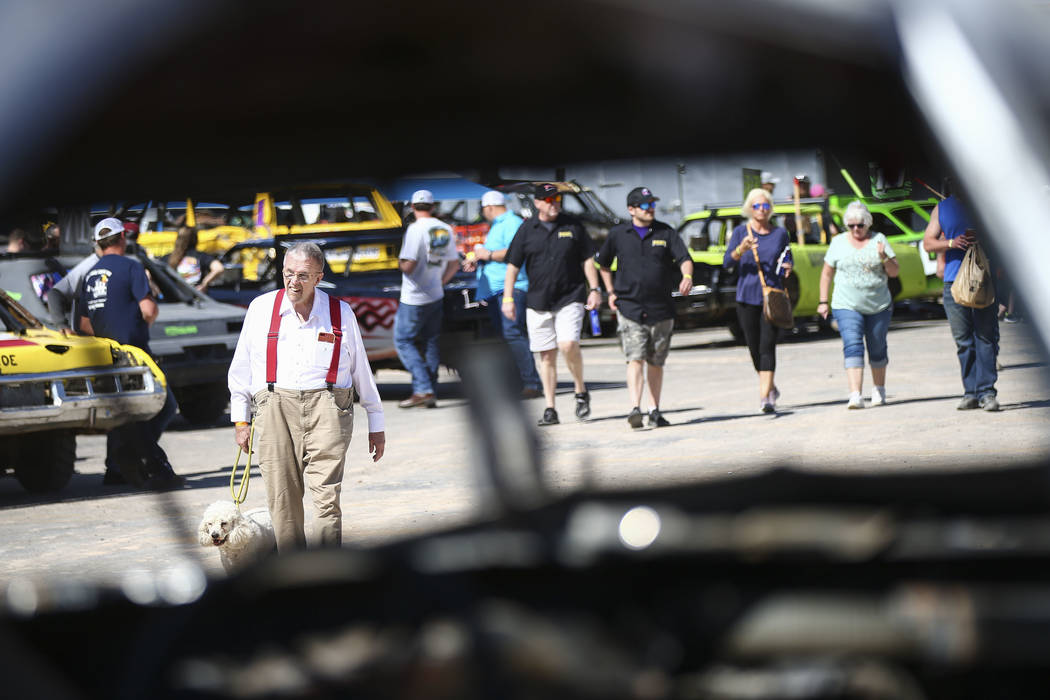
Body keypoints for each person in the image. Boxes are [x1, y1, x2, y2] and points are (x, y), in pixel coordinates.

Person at [228, 241, 386, 551]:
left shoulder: (340, 312)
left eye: (302, 275)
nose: (293, 282)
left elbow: (360, 370)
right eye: (288, 273)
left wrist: (376, 420)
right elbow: (241, 368)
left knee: (327, 498)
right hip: (274, 407)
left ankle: (328, 569)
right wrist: (240, 419)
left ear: (318, 277)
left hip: (329, 406)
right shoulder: (261, 309)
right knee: (282, 500)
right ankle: (295, 573)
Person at [79, 217, 182, 487]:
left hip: (103, 356)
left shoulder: (88, 275)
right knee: (165, 405)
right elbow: (148, 310)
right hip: (135, 355)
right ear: (122, 238)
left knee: (122, 413)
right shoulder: (131, 267)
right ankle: (137, 458)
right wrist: (141, 322)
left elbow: (83, 325)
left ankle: (115, 469)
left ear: (99, 244)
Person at [503, 183, 601, 426]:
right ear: (537, 203)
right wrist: (507, 298)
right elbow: (513, 266)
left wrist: (595, 289)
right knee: (546, 356)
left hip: (571, 296)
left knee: (568, 344)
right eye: (548, 199)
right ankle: (550, 407)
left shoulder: (573, 225)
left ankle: (580, 390)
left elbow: (588, 259)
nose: (553, 202)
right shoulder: (527, 229)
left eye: (556, 198)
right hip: (538, 301)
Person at [596, 187, 693, 428]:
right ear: (631, 209)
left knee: (656, 361)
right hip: (629, 307)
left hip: (661, 308)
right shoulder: (618, 234)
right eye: (645, 205)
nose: (651, 209)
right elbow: (603, 264)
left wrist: (687, 276)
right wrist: (610, 292)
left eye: (652, 205)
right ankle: (635, 408)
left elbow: (684, 258)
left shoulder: (666, 232)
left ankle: (654, 410)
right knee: (635, 358)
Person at [817, 200, 899, 409]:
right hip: (846, 304)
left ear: (868, 224)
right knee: (852, 344)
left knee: (877, 346)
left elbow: (894, 272)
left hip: (878, 304)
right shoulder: (837, 242)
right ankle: (855, 394)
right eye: (851, 225)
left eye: (860, 225)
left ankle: (879, 389)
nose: (855, 229)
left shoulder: (879, 240)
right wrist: (823, 301)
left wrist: (883, 257)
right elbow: (827, 273)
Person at [923, 193, 1000, 411]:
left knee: (985, 336)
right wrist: (951, 242)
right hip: (953, 282)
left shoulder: (989, 201)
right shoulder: (943, 208)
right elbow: (928, 243)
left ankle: (987, 392)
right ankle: (970, 392)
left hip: (984, 278)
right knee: (963, 340)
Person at [723, 187, 793, 413]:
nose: (761, 210)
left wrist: (787, 267)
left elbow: (786, 255)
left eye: (765, 206)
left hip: (771, 296)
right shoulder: (741, 232)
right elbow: (727, 263)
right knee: (753, 348)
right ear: (749, 209)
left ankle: (765, 398)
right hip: (747, 297)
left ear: (770, 209)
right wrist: (740, 250)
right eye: (757, 206)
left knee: (767, 346)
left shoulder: (780, 233)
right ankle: (770, 386)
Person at [470, 189, 542, 398]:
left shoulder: (510, 223)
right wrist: (481, 258)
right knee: (508, 335)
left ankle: (531, 383)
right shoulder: (499, 225)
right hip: (498, 289)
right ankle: (521, 382)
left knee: (513, 334)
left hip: (510, 288)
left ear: (489, 208)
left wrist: (487, 254)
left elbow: (515, 252)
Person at [394, 189, 461, 408]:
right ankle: (430, 390)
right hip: (435, 294)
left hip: (414, 296)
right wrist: (440, 282)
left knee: (403, 340)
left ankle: (423, 388)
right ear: (433, 207)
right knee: (431, 342)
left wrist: (399, 264)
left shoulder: (415, 229)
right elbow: (454, 264)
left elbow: (409, 264)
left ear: (412, 207)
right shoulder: (444, 229)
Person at [168, 227, 225, 292]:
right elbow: (219, 268)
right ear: (196, 239)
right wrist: (204, 283)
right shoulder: (200, 256)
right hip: (197, 297)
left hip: (174, 297)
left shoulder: (168, 257)